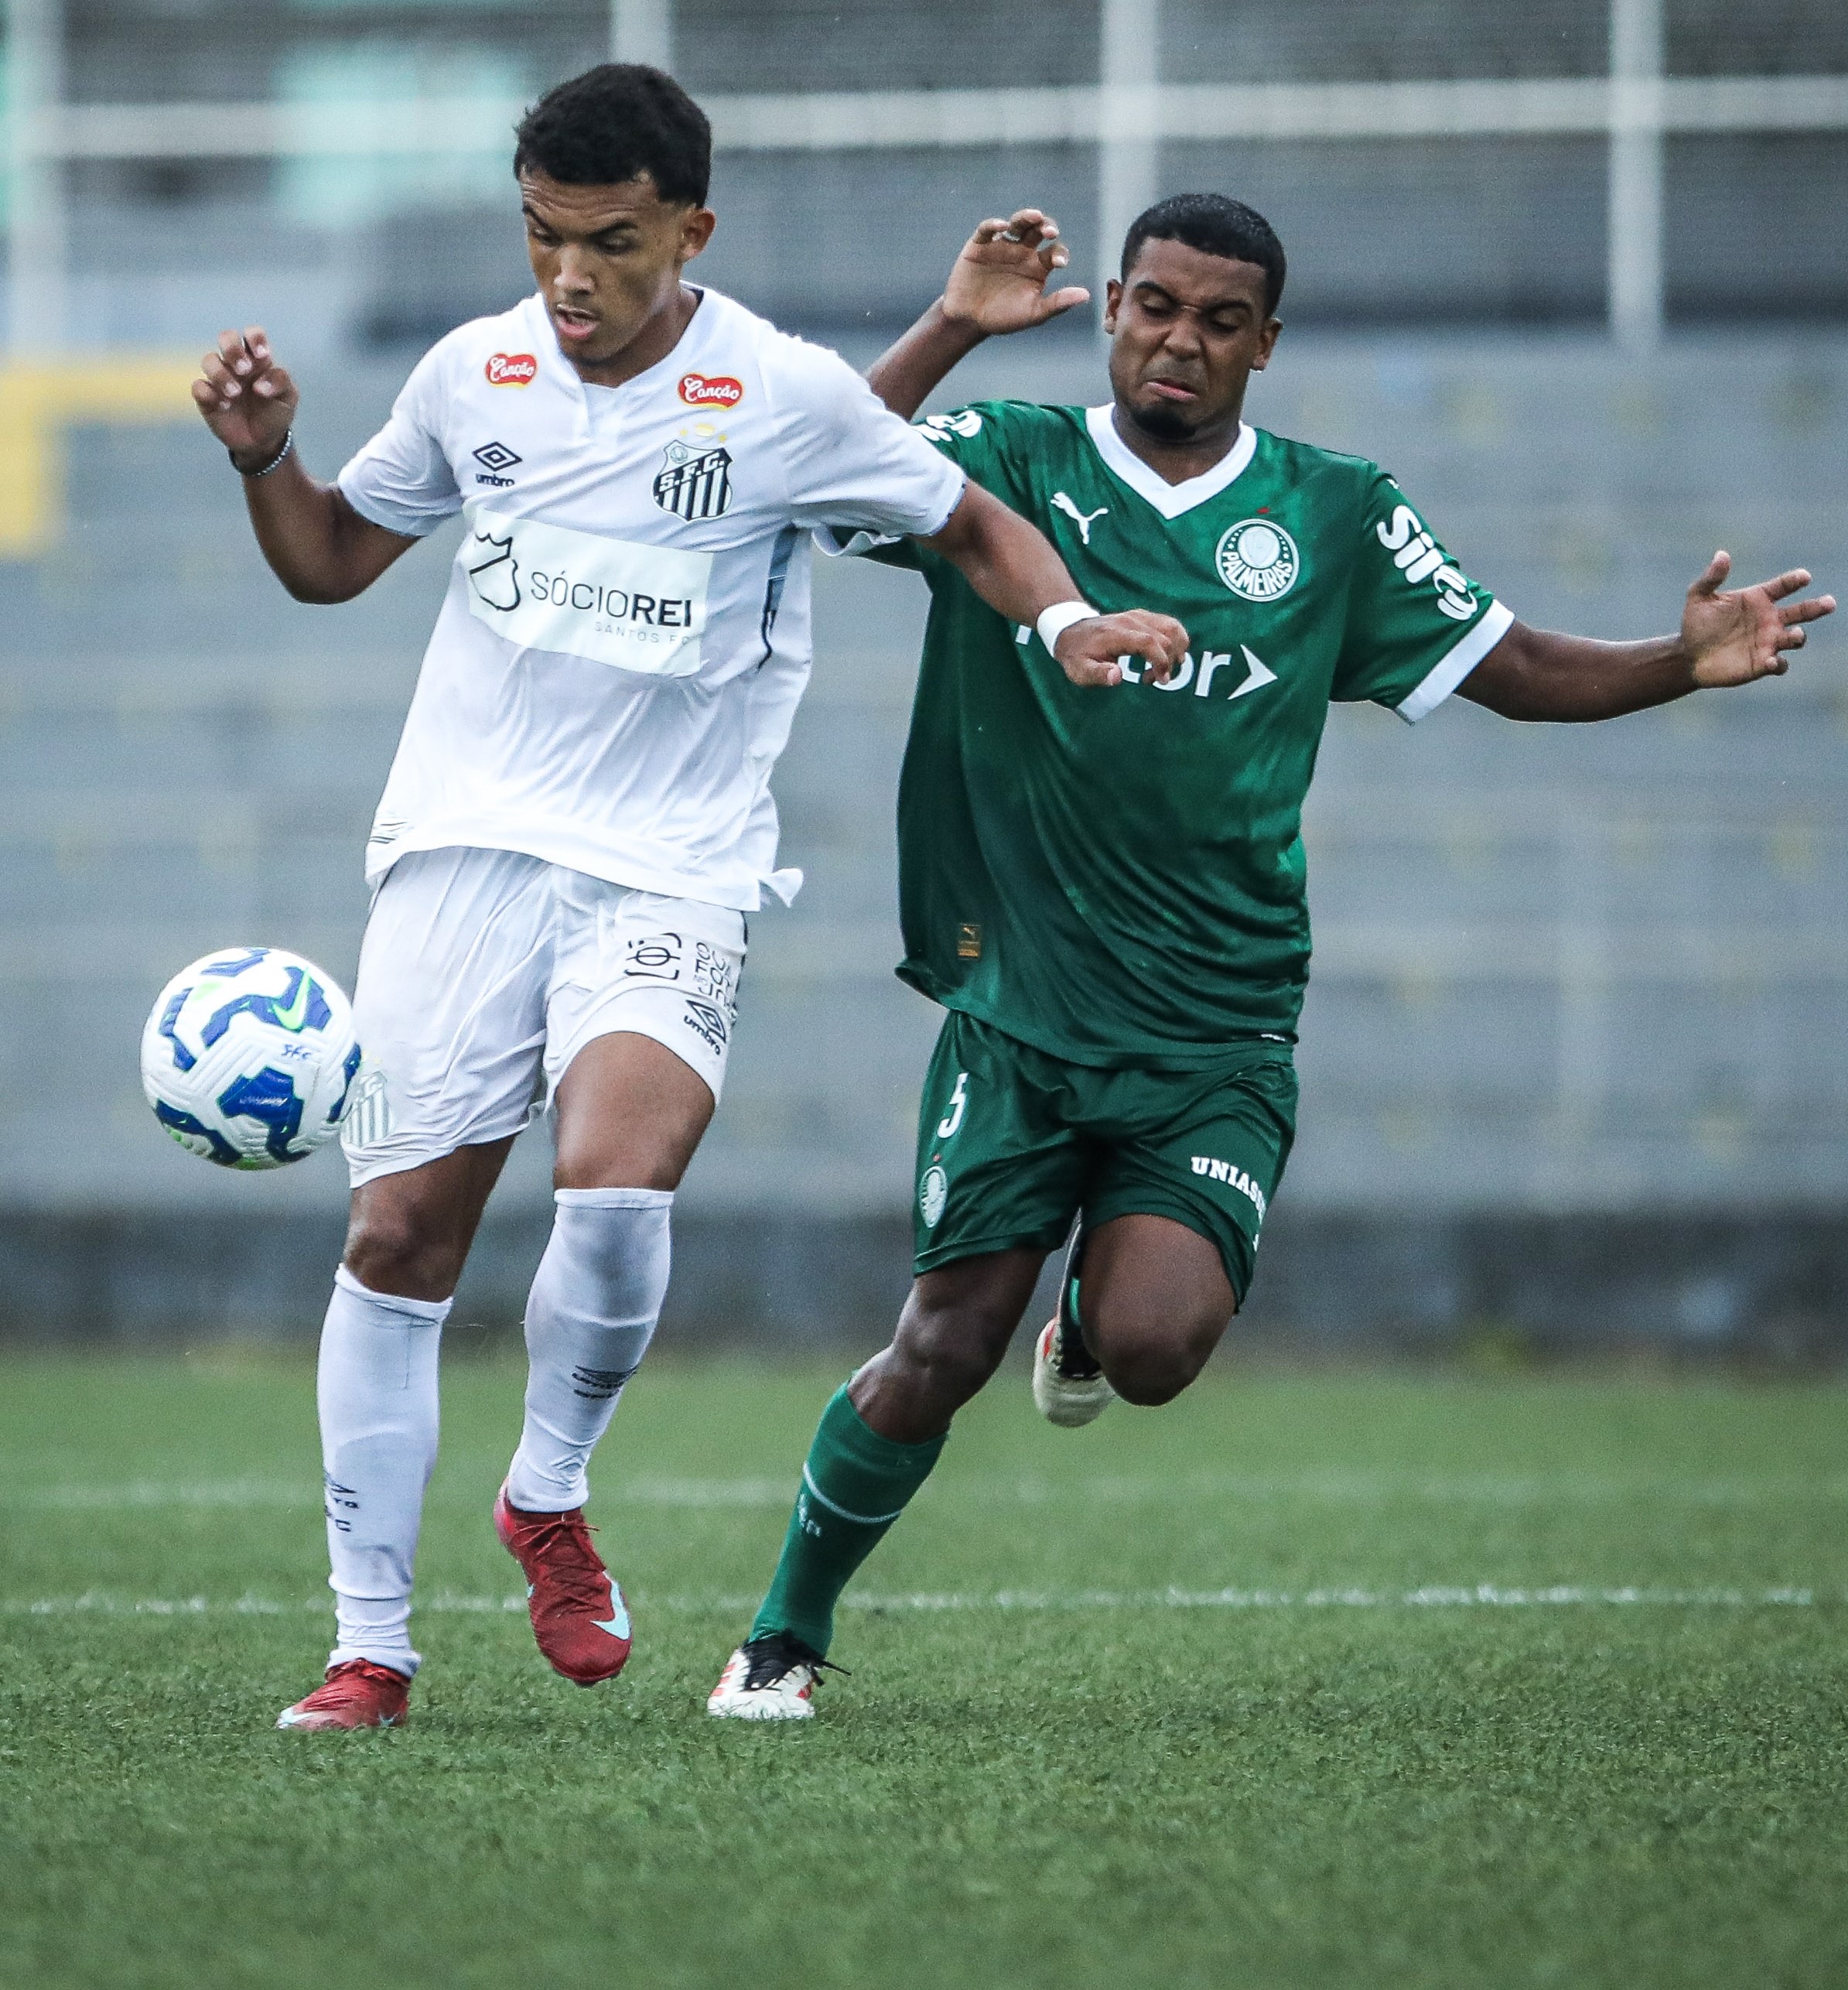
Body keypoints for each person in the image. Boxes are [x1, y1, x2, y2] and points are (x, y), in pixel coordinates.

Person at [706, 193, 1836, 1719]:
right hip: (1022, 1013)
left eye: (1219, 319)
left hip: (1217, 1029)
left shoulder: (1332, 510)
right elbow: (809, 468)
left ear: (1266, 344)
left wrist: (1676, 662)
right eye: (1156, 305)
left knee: (1160, 1345)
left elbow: (1508, 664)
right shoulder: (1013, 461)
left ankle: (1096, 1318)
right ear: (1110, 307)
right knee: (942, 1339)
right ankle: (782, 1633)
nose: (1181, 339)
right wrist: (953, 324)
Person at [190, 68, 1187, 1733]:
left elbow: (971, 523)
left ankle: (546, 1491)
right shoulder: (470, 371)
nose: (568, 279)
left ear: (690, 231)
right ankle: (371, 1647)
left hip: (667, 863)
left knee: (620, 1179)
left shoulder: (782, 391)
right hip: (459, 848)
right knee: (393, 1235)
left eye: (610, 245)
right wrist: (266, 459)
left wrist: (1070, 621)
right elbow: (330, 560)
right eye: (541, 239)